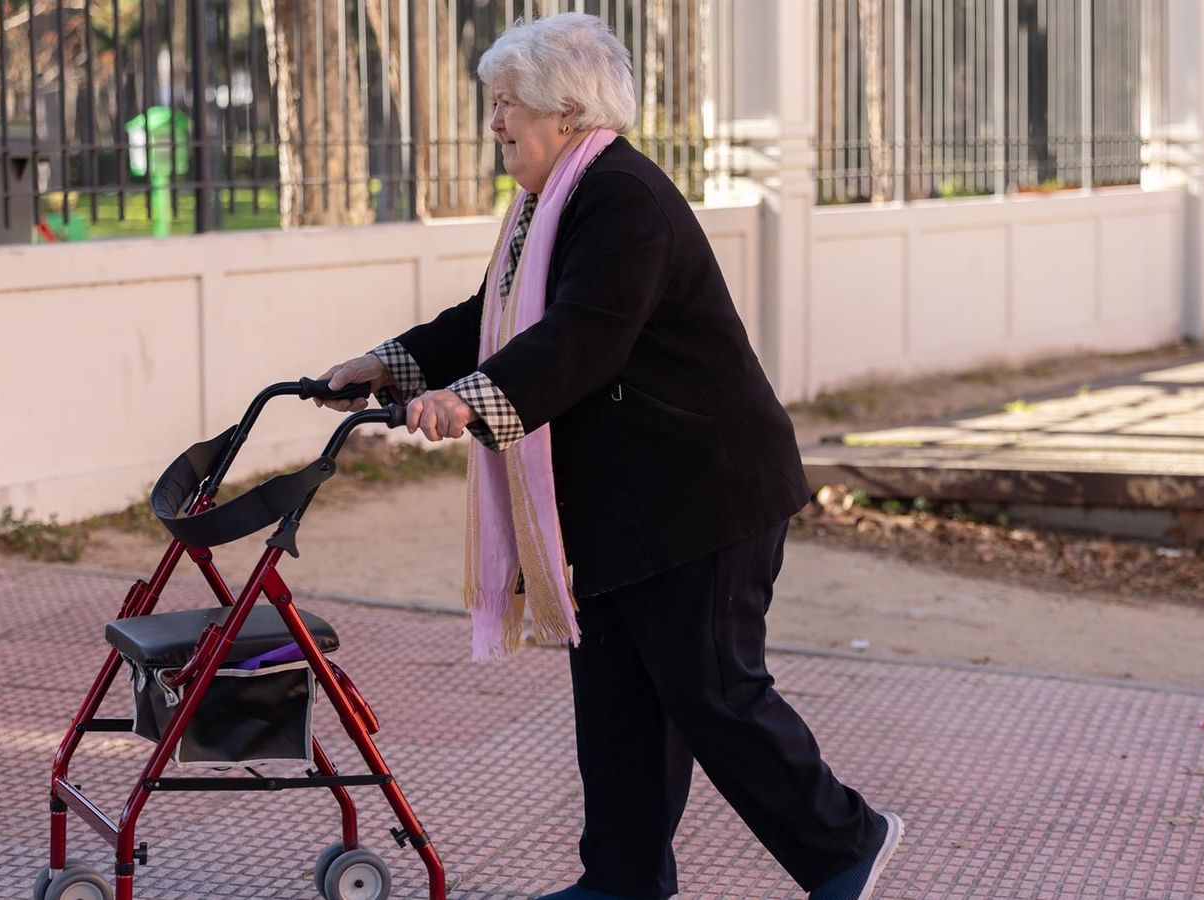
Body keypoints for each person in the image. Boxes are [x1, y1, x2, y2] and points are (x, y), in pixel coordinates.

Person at [315, 12, 902, 900]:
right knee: (619, 699)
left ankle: (847, 843)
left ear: (567, 110)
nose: (493, 122)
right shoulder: (552, 202)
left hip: (704, 495)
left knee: (713, 692)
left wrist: (466, 401)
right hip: (630, 500)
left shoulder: (622, 196)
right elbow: (492, 318)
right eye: (493, 103)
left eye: (507, 103)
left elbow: (583, 338)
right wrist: (390, 364)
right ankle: (621, 882)